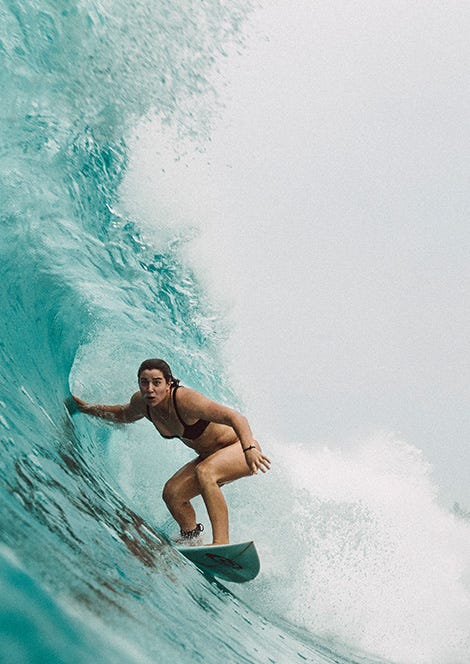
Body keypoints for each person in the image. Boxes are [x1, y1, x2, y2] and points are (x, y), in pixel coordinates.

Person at [72, 358, 270, 545]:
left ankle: (221, 544)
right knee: (173, 494)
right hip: (210, 456)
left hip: (239, 449)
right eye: (144, 383)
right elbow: (123, 414)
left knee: (205, 472)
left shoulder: (186, 400)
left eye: (157, 383)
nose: (150, 389)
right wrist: (86, 408)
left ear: (168, 384)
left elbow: (236, 417)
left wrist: (249, 448)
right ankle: (191, 538)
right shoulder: (143, 403)